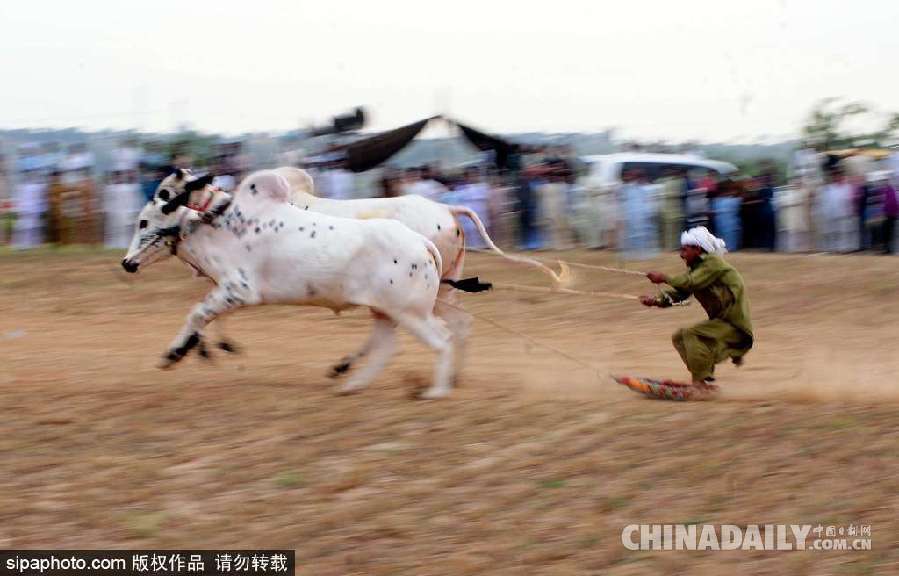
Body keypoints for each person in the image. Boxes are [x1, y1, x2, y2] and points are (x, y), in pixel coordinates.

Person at [640, 227, 753, 389]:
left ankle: (700, 384)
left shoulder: (713, 263)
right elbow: (682, 293)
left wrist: (664, 278)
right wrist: (656, 301)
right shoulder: (699, 269)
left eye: (684, 250)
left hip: (734, 324)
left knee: (690, 334)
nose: (681, 255)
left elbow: (690, 282)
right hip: (721, 323)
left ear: (697, 249)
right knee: (679, 337)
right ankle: (702, 381)